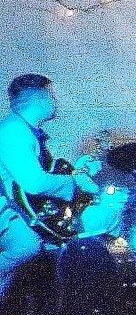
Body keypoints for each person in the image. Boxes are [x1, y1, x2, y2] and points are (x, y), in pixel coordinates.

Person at [0, 74, 87, 301]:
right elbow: (34, 183)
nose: (55, 101)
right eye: (52, 96)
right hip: (5, 208)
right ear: (39, 98)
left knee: (27, 248)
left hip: (12, 207)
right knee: (25, 246)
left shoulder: (23, 129)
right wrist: (72, 183)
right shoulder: (13, 131)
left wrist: (75, 172)